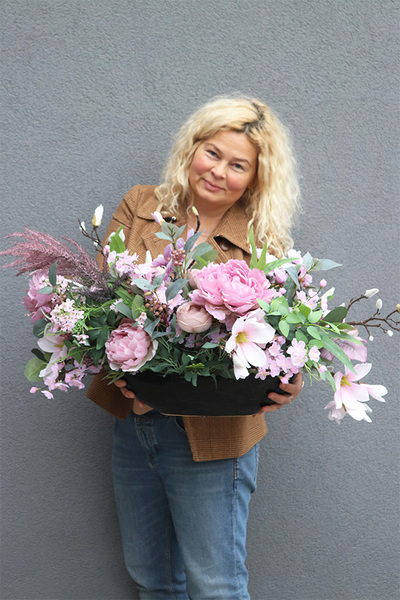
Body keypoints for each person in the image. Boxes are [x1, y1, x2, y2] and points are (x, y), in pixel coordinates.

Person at [87, 95, 303, 599]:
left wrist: (292, 376)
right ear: (191, 149)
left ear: (254, 178)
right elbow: (98, 301)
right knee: (154, 580)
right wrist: (122, 373)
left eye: (237, 165)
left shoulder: (264, 243)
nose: (218, 171)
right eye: (212, 152)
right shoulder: (142, 206)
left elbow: (281, 336)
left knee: (216, 586)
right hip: (135, 424)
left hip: (214, 439)